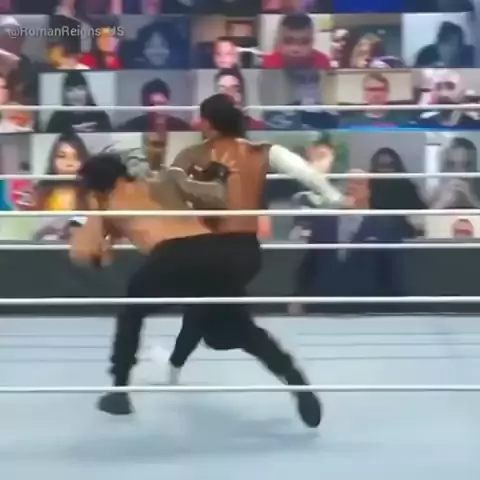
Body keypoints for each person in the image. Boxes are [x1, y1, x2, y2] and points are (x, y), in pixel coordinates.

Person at [68, 142, 325, 428]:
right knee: (243, 330)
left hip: (172, 254)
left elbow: (83, 254)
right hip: (216, 250)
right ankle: (294, 379)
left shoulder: (108, 203)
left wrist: (95, 212)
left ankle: (119, 392)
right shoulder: (156, 182)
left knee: (132, 312)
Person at [163, 94, 343, 412]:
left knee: (236, 328)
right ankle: (173, 370)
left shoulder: (196, 155)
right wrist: (332, 197)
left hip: (213, 250)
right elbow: (306, 173)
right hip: (245, 252)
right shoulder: (262, 151)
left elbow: (167, 193)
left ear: (208, 123)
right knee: (200, 311)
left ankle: (294, 379)